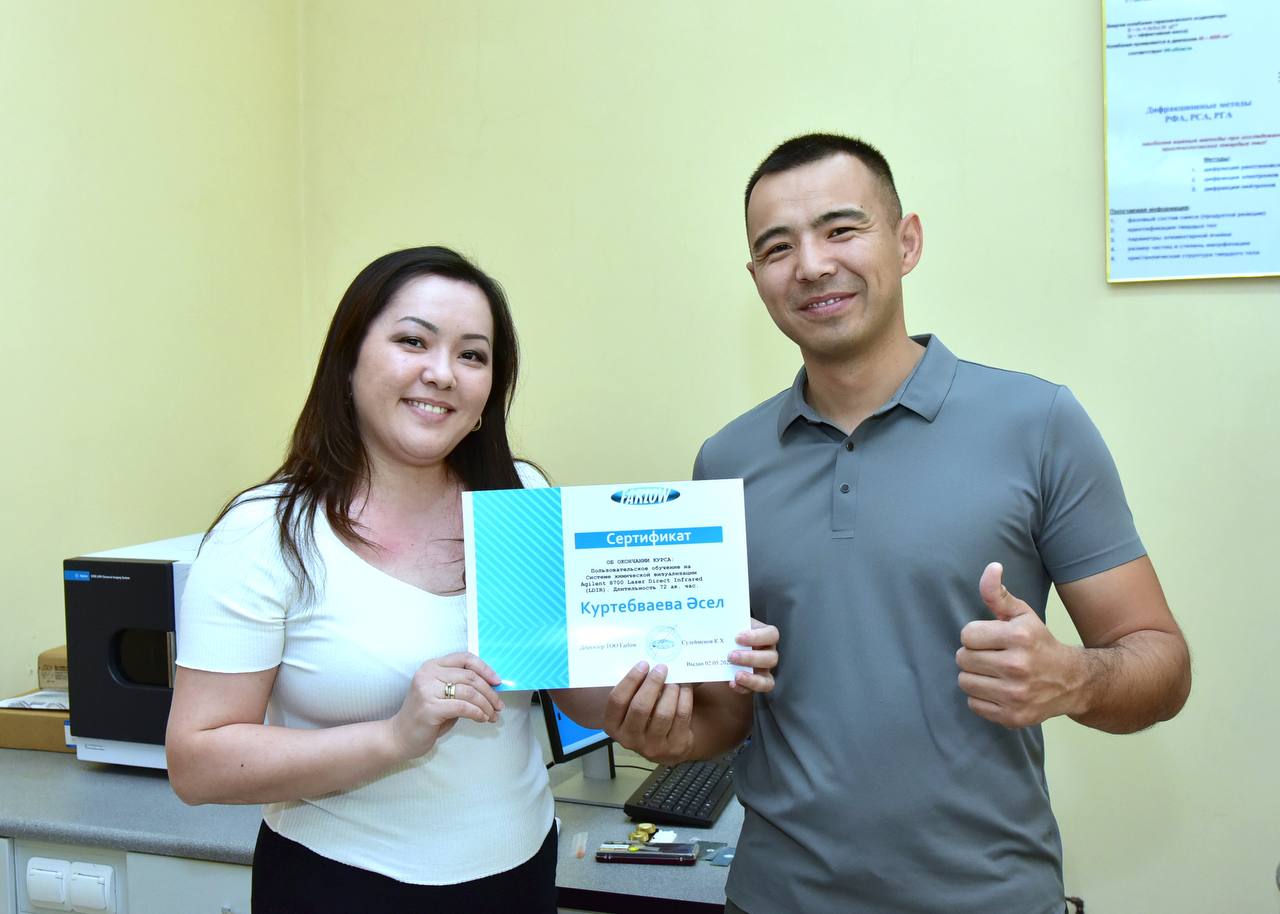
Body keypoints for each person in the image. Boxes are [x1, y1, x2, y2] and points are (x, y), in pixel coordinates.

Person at [616, 135, 1192, 914]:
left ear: (907, 241)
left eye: (841, 229)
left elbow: (1162, 664)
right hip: (776, 897)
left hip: (989, 898)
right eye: (778, 247)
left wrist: (1073, 678)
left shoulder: (1038, 423)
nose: (811, 264)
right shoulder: (726, 461)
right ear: (757, 279)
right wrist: (669, 733)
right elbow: (732, 711)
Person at [165, 245, 779, 914]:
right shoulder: (267, 532)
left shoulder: (516, 500)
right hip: (342, 885)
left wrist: (692, 665)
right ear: (348, 360)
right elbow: (198, 763)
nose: (441, 374)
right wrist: (394, 738)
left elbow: (572, 690)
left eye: (472, 355)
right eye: (412, 341)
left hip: (517, 877)